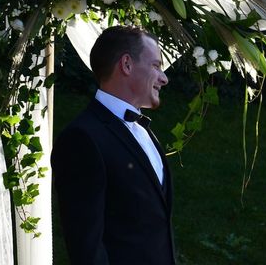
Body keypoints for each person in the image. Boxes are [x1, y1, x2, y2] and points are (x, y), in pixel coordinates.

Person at [51, 26, 174, 265]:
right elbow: (86, 247)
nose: (164, 78)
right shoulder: (82, 138)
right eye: (156, 66)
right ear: (126, 64)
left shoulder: (144, 131)